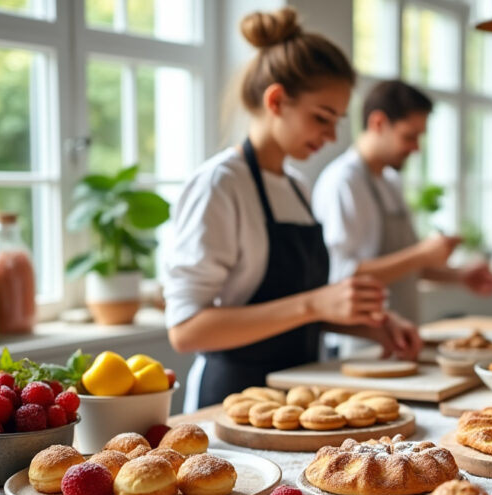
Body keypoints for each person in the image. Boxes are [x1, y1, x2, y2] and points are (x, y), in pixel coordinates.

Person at [163, 8, 420, 411]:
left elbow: (294, 309)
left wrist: (370, 325)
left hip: (300, 396)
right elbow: (186, 330)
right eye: (322, 117)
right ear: (277, 100)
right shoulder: (220, 184)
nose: (332, 136)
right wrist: (317, 303)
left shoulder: (298, 186)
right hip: (231, 404)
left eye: (337, 121)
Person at [312, 80, 492, 332]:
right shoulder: (344, 182)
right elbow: (342, 277)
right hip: (360, 342)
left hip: (402, 334)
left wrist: (460, 275)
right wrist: (421, 254)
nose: (416, 148)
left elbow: (408, 267)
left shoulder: (390, 181)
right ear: (377, 123)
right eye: (409, 136)